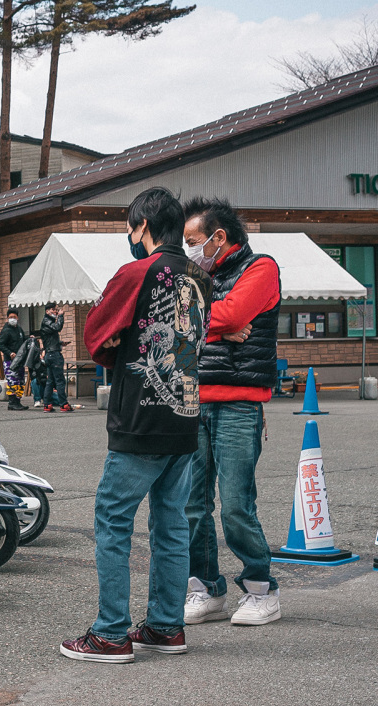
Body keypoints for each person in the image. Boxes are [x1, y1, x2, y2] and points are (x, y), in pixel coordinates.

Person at [61, 187, 211, 663]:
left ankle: (110, 633)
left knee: (113, 519)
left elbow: (96, 334)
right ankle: (166, 627)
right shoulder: (201, 277)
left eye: (130, 226)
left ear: (143, 225)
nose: (129, 235)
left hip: (140, 419)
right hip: (184, 416)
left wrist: (119, 346)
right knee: (171, 525)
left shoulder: (135, 273)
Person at [181, 197, 283, 627]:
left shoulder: (261, 268)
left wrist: (205, 323)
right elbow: (176, 320)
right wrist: (220, 329)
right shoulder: (195, 277)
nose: (188, 249)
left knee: (236, 505)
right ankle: (206, 588)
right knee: (192, 504)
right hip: (195, 401)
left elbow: (234, 312)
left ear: (219, 237)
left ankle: (262, 590)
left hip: (240, 403)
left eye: (193, 240)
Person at [39, 303, 73, 412]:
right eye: (53, 309)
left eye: (56, 310)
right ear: (47, 311)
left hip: (49, 354)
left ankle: (47, 404)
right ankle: (63, 404)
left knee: (51, 381)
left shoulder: (47, 322)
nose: (56, 311)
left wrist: (60, 343)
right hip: (54, 355)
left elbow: (49, 339)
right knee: (59, 380)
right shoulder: (47, 321)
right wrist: (61, 316)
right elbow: (57, 327)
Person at [0, 309, 28, 410]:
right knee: (13, 381)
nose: (12, 319)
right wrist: (9, 353)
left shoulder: (19, 329)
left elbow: (23, 340)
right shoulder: (6, 330)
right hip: (10, 361)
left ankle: (18, 401)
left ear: (17, 318)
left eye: (14, 317)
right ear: (7, 318)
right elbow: (0, 344)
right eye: (10, 317)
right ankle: (12, 402)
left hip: (20, 360)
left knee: (20, 381)